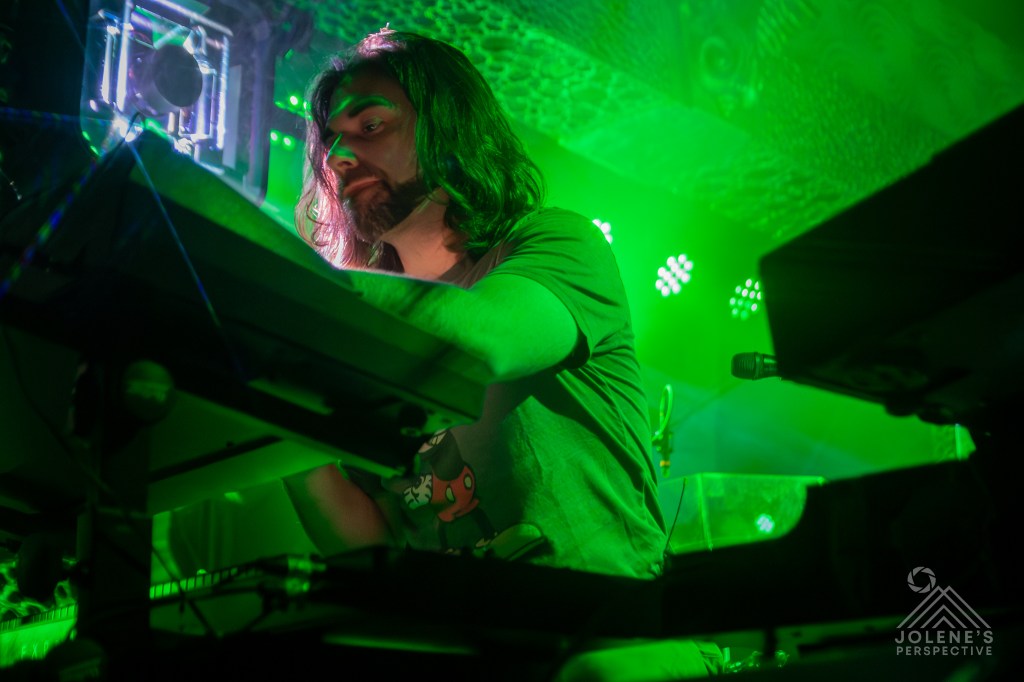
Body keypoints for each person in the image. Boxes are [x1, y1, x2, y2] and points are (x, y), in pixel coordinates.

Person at [284, 27, 667, 580]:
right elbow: (378, 546)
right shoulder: (360, 328)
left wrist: (288, 290)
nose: (340, 156)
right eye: (332, 142)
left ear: (447, 127)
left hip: (609, 623)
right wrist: (277, 423)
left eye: (370, 126)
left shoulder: (559, 243)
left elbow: (485, 339)